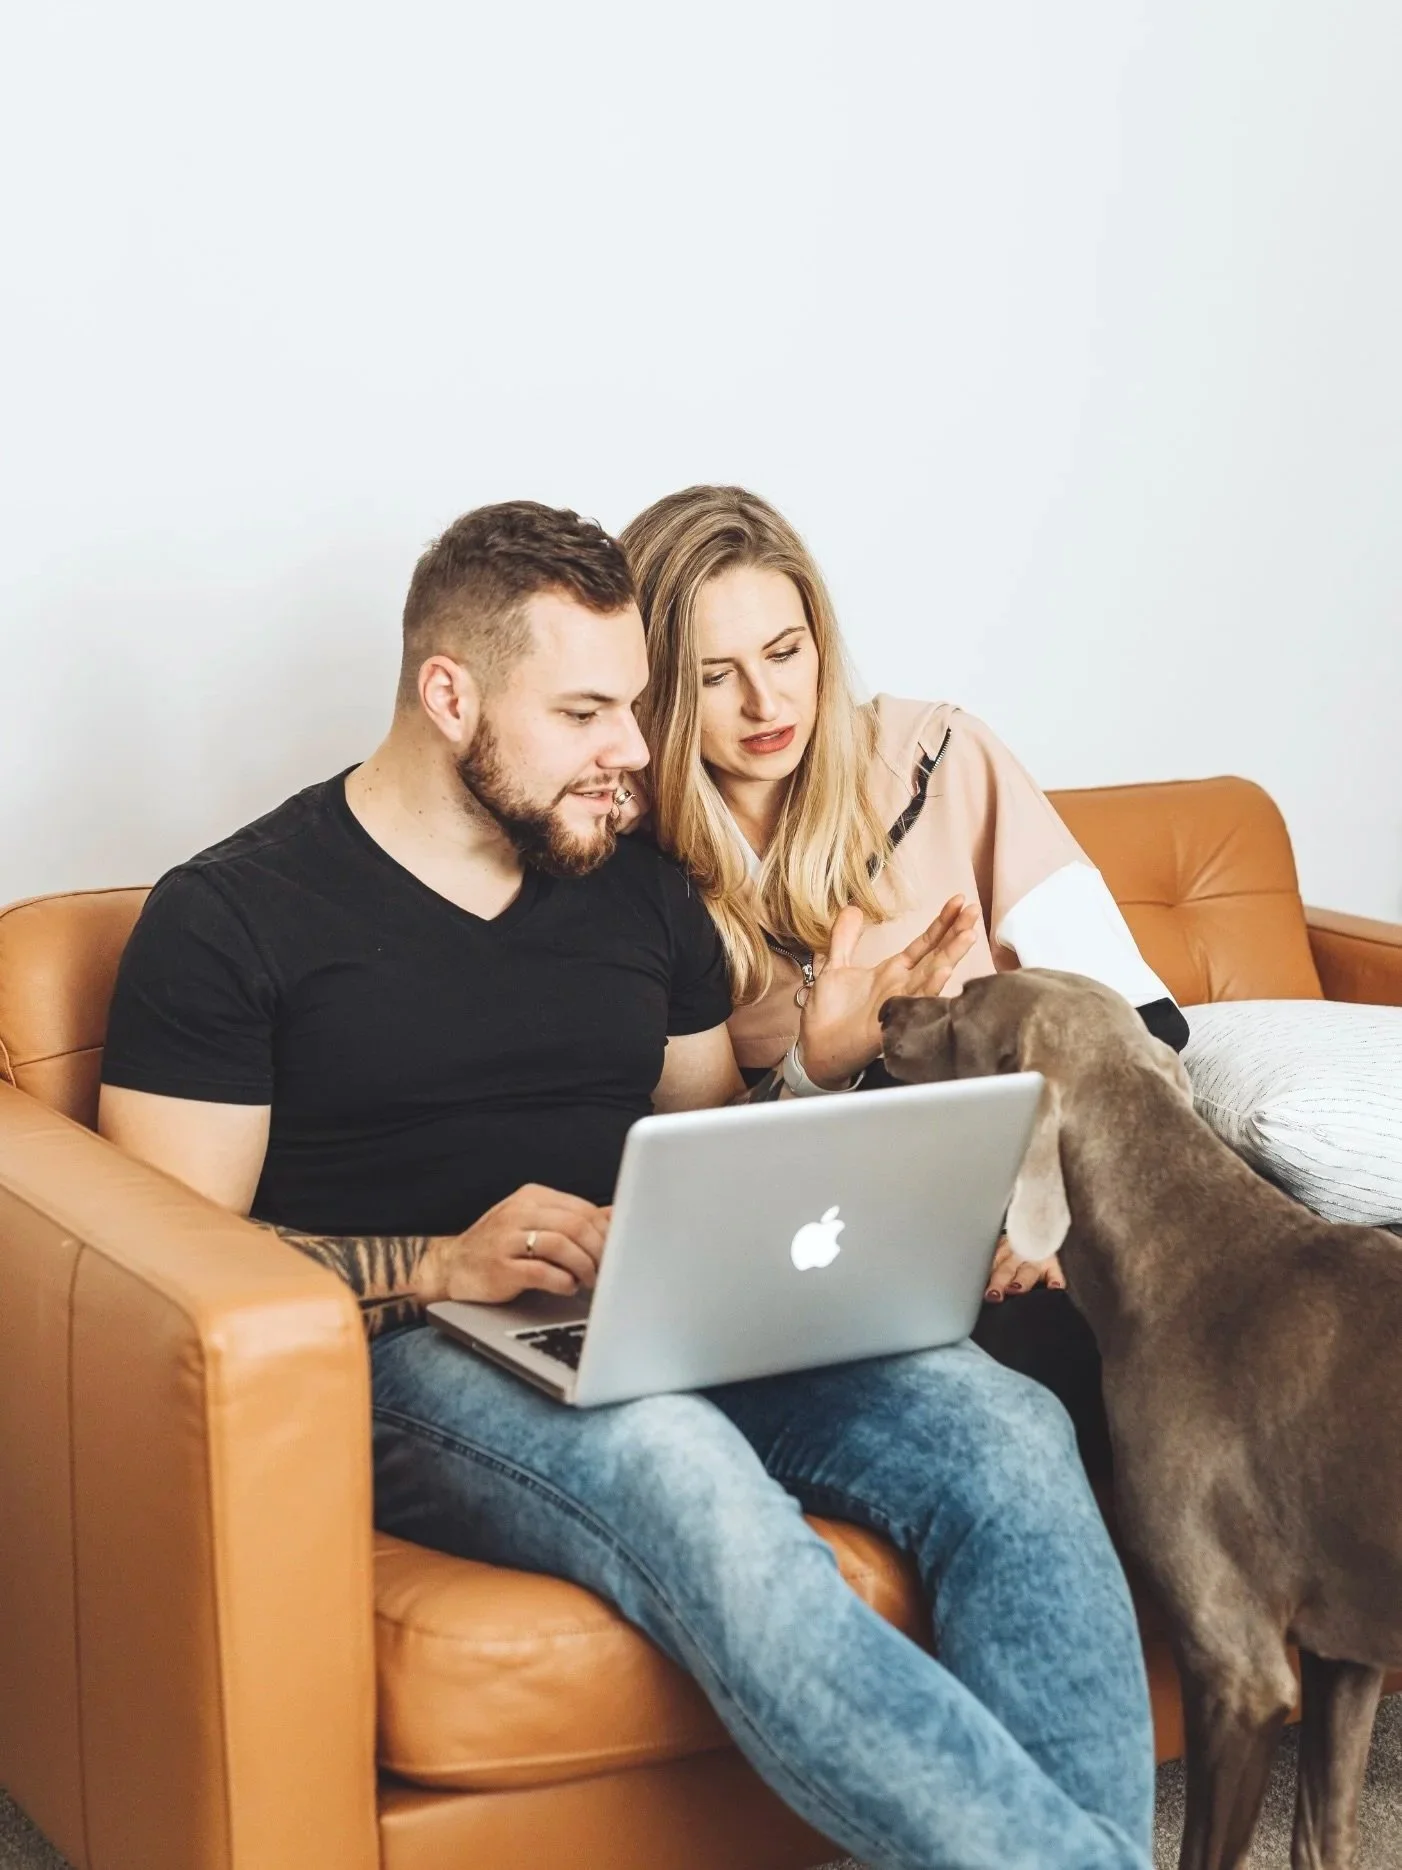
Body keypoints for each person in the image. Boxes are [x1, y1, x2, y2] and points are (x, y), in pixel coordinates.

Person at [97, 501, 1154, 1870]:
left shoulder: (636, 891)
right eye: (586, 713)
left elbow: (713, 1142)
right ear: (449, 696)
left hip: (669, 1303)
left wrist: (823, 1084)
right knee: (679, 1469)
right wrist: (436, 1262)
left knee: (1006, 1428)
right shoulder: (231, 916)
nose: (635, 753)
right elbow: (161, 1268)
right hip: (415, 1350)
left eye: (636, 708)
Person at [619, 485, 1188, 1452]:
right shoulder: (635, 863)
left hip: (1045, 1188)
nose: (767, 704)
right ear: (660, 691)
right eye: (715, 676)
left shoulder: (940, 755)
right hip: (836, 1248)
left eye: (786, 653)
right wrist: (815, 1067)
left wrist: (1057, 1210)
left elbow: (1141, 1023)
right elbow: (710, 1177)